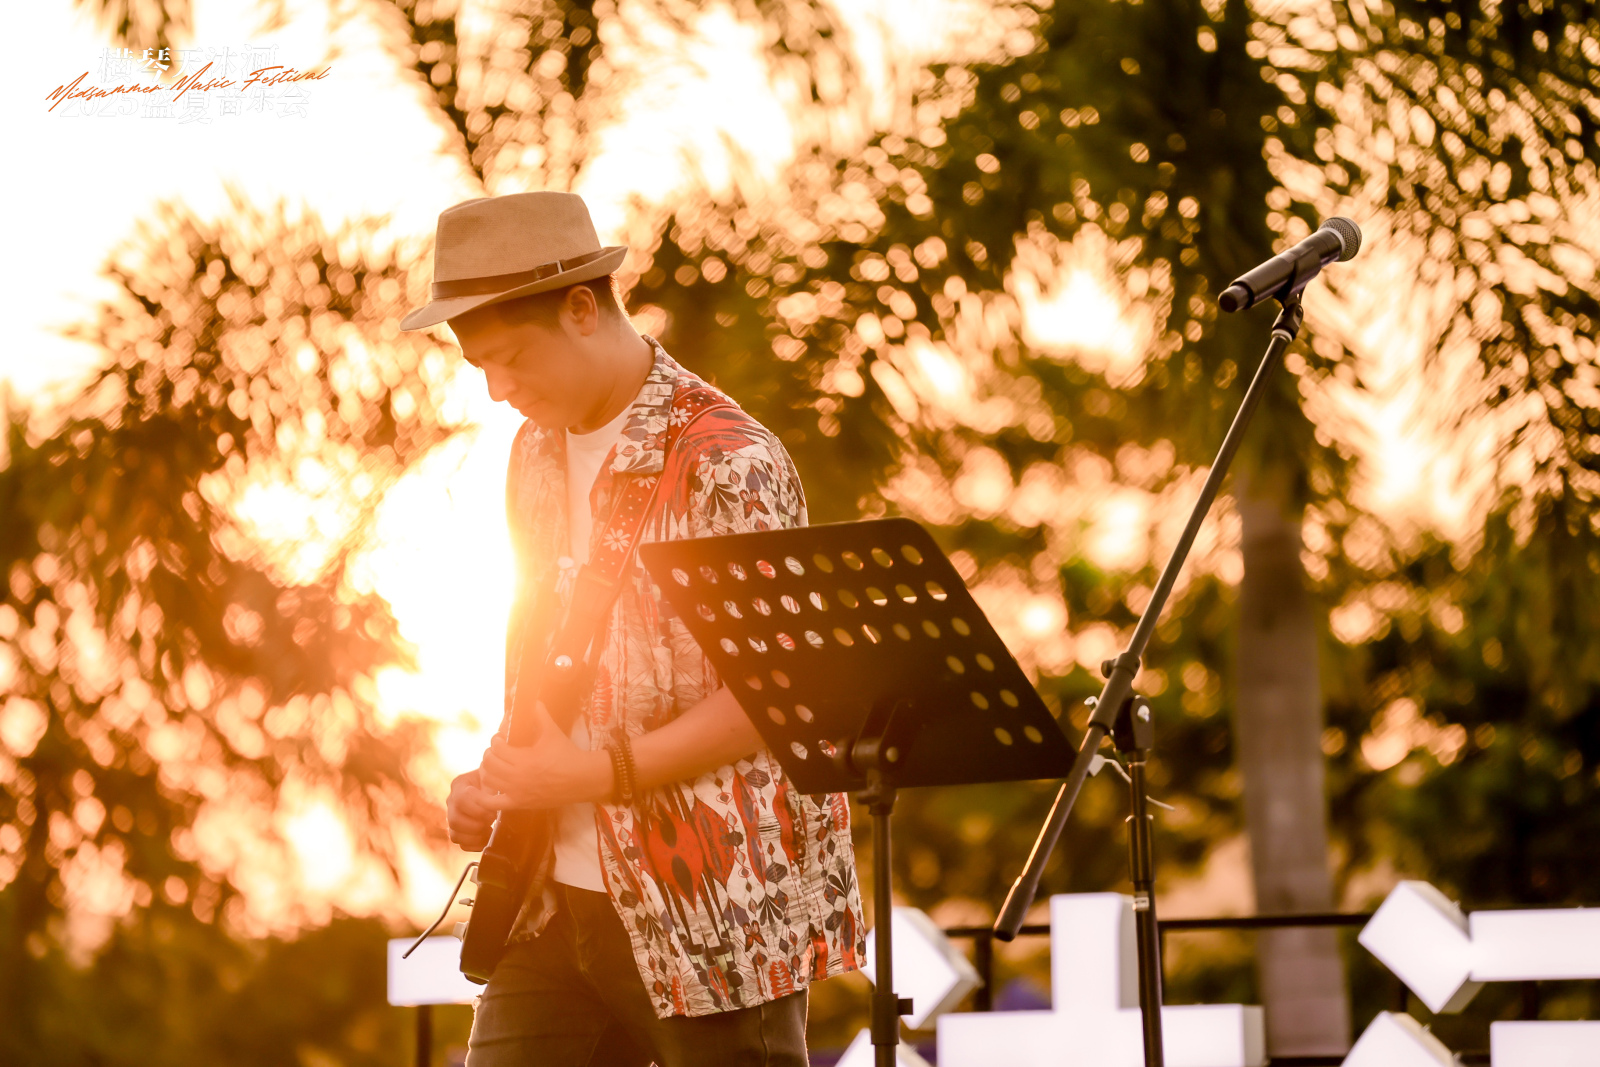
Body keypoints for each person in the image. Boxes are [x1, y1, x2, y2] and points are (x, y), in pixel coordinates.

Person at [400, 191, 864, 1067]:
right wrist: (501, 773)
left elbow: (773, 698)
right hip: (547, 898)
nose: (497, 390)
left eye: (510, 358)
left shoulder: (727, 459)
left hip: (714, 911)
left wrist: (593, 772)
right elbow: (546, 644)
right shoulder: (534, 453)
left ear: (582, 308)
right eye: (480, 367)